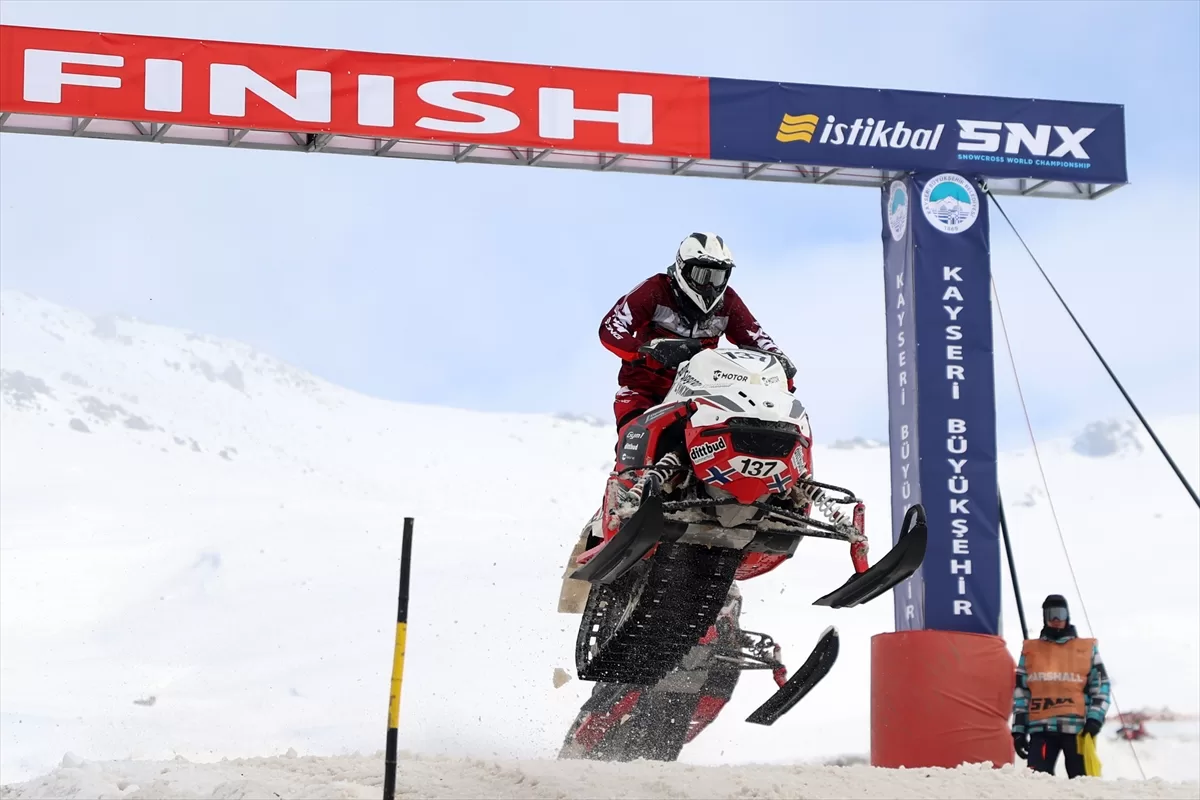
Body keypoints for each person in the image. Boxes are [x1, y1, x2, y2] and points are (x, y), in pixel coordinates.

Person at [558, 583, 788, 762]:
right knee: (636, 738)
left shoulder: (724, 592)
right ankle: (585, 763)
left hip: (689, 682)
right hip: (651, 677)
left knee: (662, 749)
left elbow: (730, 634)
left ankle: (648, 777)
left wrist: (748, 645)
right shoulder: (656, 578)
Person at [598, 232, 798, 433]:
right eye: (702, 276)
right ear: (682, 268)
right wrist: (645, 352)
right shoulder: (654, 290)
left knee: (746, 429)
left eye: (717, 277)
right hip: (645, 390)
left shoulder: (729, 302)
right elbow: (611, 326)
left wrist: (780, 367)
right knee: (634, 437)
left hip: (701, 393)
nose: (709, 287)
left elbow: (757, 339)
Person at [1011, 594, 1112, 778]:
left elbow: (1101, 686)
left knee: (1082, 783)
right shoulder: (1031, 651)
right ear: (1045, 617)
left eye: (1060, 613)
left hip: (1077, 730)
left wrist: (1095, 719)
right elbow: (1021, 693)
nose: (1056, 619)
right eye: (1051, 614)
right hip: (1041, 730)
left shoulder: (1086, 648)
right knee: (1037, 782)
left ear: (1068, 615)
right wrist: (1018, 730)